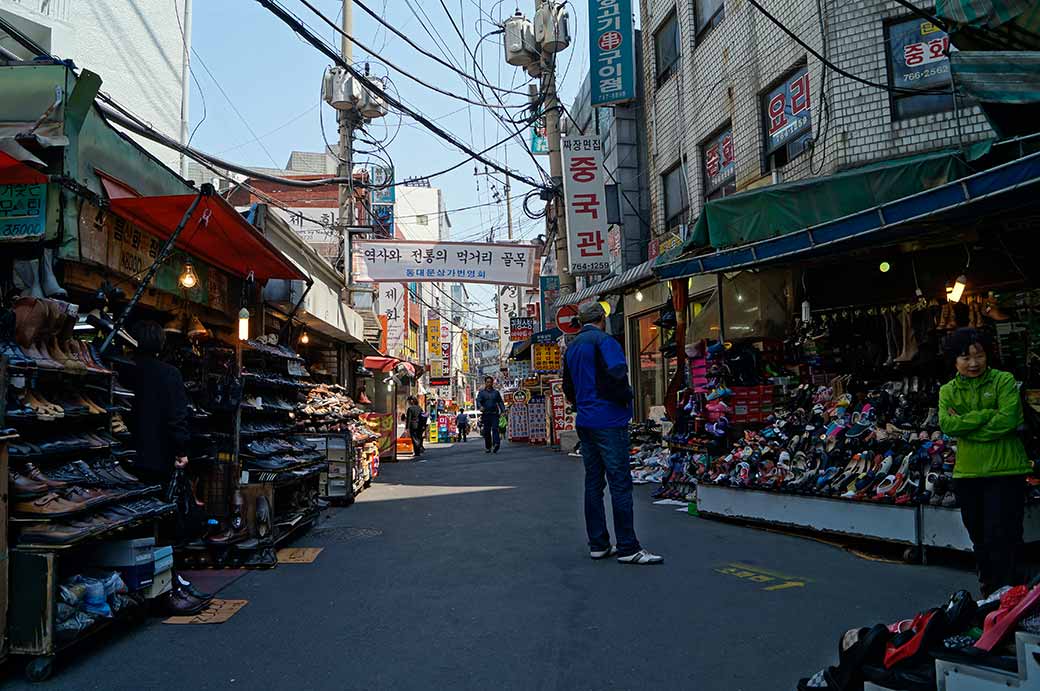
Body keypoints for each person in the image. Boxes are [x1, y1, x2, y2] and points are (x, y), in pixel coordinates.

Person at [562, 302, 662, 565]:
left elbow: (567, 386)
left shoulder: (572, 347)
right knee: (619, 482)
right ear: (602, 319)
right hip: (609, 418)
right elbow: (618, 372)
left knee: (593, 483)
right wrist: (623, 396)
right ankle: (628, 546)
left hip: (585, 420)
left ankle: (598, 543)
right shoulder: (604, 341)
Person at [125, 320, 212, 613]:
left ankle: (147, 580)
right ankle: (164, 581)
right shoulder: (168, 374)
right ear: (161, 345)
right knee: (160, 521)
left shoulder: (124, 371)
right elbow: (177, 417)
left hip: (126, 459)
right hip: (159, 458)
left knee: (133, 522)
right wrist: (181, 450)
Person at [939, 328, 1032, 596]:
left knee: (1003, 535)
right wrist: (986, 416)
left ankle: (1011, 593)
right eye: (965, 358)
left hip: (1006, 470)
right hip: (967, 474)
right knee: (979, 537)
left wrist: (967, 424)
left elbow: (1009, 420)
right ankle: (990, 590)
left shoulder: (1004, 381)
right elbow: (947, 424)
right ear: (954, 361)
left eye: (979, 356)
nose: (974, 363)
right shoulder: (948, 390)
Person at [476, 376, 505, 453]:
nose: (489, 383)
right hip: (486, 414)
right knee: (487, 431)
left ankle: (496, 444)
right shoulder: (481, 393)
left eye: (490, 382)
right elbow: (478, 401)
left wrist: (503, 411)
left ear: (492, 383)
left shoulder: (496, 392)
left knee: (495, 429)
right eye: (487, 382)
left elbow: (500, 402)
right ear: (485, 383)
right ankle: (488, 447)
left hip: (494, 414)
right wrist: (480, 407)